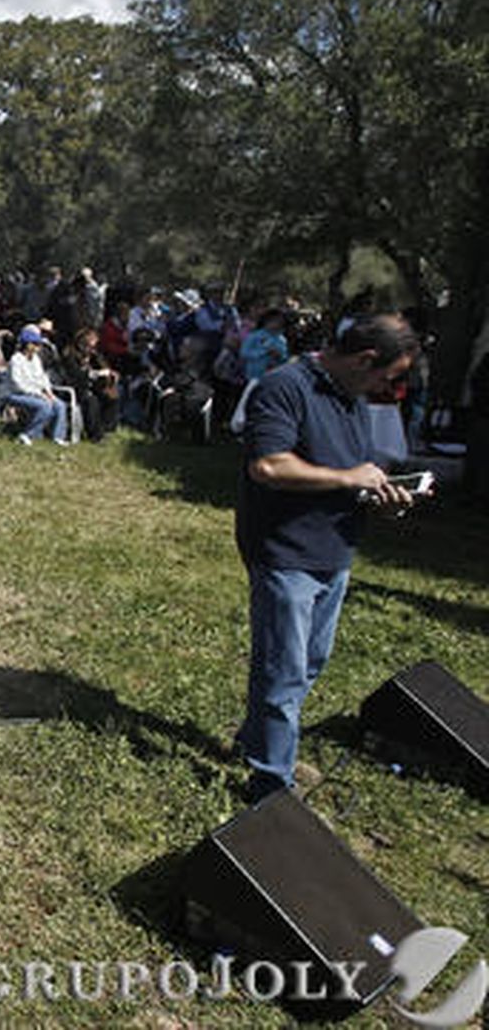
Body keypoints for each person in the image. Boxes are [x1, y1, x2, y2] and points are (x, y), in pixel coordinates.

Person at [234, 313, 420, 803]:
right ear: (364, 360)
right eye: (390, 374)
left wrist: (382, 497)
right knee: (284, 671)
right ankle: (272, 786)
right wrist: (348, 480)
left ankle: (256, 744)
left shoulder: (352, 398)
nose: (390, 385)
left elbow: (349, 473)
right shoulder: (283, 386)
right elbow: (269, 465)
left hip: (334, 551)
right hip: (286, 551)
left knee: (305, 664)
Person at [5, 324, 68, 445]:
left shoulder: (36, 360)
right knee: (44, 406)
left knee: (60, 405)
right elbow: (18, 384)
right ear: (27, 344)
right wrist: (38, 394)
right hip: (16, 394)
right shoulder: (16, 359)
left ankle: (58, 437)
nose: (37, 347)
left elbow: (42, 378)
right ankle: (28, 434)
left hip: (36, 393)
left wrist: (48, 392)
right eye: (35, 344)